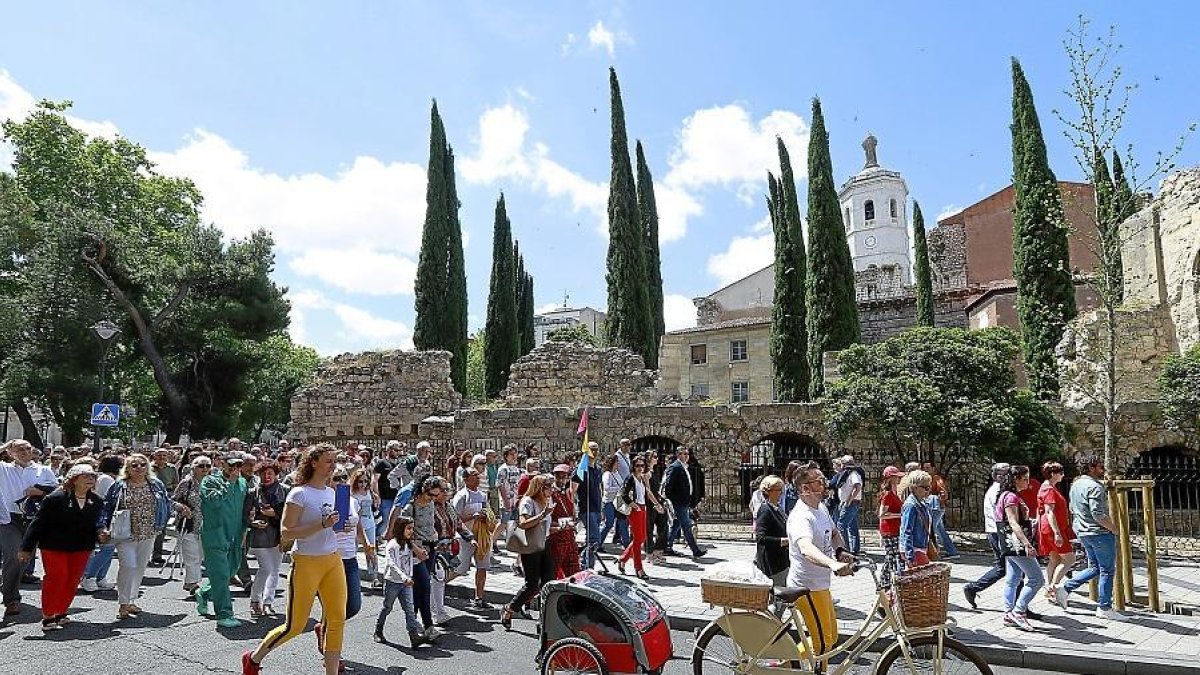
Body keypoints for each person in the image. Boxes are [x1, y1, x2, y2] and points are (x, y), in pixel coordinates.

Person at [242, 444, 348, 675]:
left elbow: (331, 528)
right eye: (328, 461)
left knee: (337, 619)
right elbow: (287, 532)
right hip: (306, 562)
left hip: (332, 559)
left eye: (334, 461)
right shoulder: (299, 493)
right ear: (313, 463)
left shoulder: (332, 492)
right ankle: (253, 659)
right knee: (295, 626)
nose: (333, 466)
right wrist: (322, 524)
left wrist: (341, 526)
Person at [19, 463, 105, 631]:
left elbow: (94, 524)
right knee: (57, 576)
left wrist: (100, 534)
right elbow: (38, 524)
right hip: (54, 545)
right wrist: (26, 548)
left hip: (81, 547)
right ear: (73, 479)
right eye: (85, 475)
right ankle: (48, 615)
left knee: (72, 579)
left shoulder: (96, 500)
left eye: (92, 476)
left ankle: (61, 611)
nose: (90, 479)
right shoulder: (55, 498)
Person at [787, 461, 854, 662]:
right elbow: (806, 549)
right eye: (820, 481)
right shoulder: (801, 516)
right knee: (823, 643)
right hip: (805, 587)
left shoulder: (821, 508)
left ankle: (785, 663)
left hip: (820, 585)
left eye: (824, 480)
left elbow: (834, 533)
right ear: (805, 488)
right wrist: (833, 564)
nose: (825, 484)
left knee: (831, 637)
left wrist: (840, 550)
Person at [99, 452, 171, 620]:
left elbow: (166, 503)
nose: (139, 468)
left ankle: (131, 599)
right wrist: (103, 526)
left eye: (142, 464)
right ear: (127, 469)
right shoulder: (119, 485)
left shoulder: (156, 484)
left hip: (149, 531)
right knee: (128, 565)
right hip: (125, 533)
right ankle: (123, 603)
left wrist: (167, 518)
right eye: (134, 465)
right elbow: (107, 507)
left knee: (139, 567)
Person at [1056, 455, 1122, 620]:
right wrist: (1114, 529)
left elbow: (1072, 508)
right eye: (1100, 466)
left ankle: (1066, 588)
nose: (1103, 470)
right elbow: (1098, 514)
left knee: (1095, 567)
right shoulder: (1095, 487)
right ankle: (1104, 607)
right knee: (1107, 569)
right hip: (1099, 533)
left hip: (1083, 532)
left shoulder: (1076, 485)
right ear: (1091, 467)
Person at [0, 439, 59, 616]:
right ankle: (11, 599)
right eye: (19, 449)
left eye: (27, 448)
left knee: (24, 558)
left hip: (34, 520)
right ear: (10, 453)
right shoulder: (4, 469)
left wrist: (40, 491)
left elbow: (58, 490)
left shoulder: (43, 470)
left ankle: (8, 583)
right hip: (9, 519)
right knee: (13, 555)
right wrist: (5, 445)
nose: (25, 452)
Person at [196, 452, 250, 628]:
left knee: (230, 571)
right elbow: (214, 501)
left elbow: (242, 509)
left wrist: (244, 531)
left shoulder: (243, 483)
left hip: (235, 535)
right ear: (222, 464)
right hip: (215, 535)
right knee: (220, 575)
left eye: (238, 466)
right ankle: (224, 614)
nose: (235, 469)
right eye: (231, 465)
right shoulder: (209, 481)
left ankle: (203, 592)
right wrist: (230, 483)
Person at [500, 474, 555, 631]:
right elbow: (523, 524)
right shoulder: (528, 502)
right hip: (531, 546)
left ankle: (543, 618)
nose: (551, 490)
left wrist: (562, 526)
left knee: (549, 582)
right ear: (539, 488)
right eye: (548, 487)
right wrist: (542, 514)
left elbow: (545, 526)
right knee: (532, 584)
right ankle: (510, 609)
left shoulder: (546, 501)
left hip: (545, 543)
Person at [995, 465, 1045, 631]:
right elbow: (1013, 523)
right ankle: (1019, 611)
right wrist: (1027, 543)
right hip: (1017, 544)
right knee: (1037, 579)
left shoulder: (1006, 496)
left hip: (1010, 544)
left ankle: (1008, 613)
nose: (1028, 482)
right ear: (1015, 479)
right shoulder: (1011, 498)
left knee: (1013, 578)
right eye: (1025, 479)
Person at [963, 462, 1014, 611]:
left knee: (1007, 567)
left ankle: (973, 588)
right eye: (1006, 473)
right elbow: (1002, 516)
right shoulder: (998, 491)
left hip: (994, 532)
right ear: (998, 475)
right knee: (1008, 567)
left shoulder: (995, 490)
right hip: (998, 533)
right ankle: (973, 588)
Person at [331, 468, 372, 649]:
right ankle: (331, 647)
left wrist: (367, 546)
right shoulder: (326, 501)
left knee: (354, 605)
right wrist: (333, 526)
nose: (341, 481)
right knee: (336, 606)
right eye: (336, 478)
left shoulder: (353, 501)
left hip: (350, 557)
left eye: (344, 478)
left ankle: (326, 625)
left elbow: (358, 526)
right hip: (331, 559)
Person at [374, 515, 426, 647]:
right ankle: (378, 630)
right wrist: (404, 577)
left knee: (409, 609)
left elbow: (409, 561)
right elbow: (392, 564)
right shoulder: (393, 545)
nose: (411, 531)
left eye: (412, 528)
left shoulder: (408, 544)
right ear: (400, 528)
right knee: (387, 607)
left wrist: (420, 556)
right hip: (393, 582)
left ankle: (413, 636)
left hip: (406, 583)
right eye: (408, 528)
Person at [399, 476, 440, 640]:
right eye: (431, 495)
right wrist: (416, 549)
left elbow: (430, 523)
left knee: (420, 590)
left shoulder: (430, 504)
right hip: (415, 551)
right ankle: (425, 625)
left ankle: (417, 627)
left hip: (430, 547)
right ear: (423, 490)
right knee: (424, 586)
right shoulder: (410, 507)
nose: (433, 499)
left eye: (436, 496)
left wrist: (435, 535)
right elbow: (402, 533)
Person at [80, 453, 124, 593]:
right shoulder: (106, 479)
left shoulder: (109, 478)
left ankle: (100, 577)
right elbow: (110, 500)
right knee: (106, 548)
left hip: (110, 518)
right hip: (103, 518)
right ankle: (89, 576)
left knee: (109, 548)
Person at [451, 467, 494, 608]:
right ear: (465, 479)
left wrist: (486, 516)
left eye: (478, 475)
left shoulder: (482, 495)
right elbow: (455, 517)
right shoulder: (462, 496)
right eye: (474, 475)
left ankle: (479, 598)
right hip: (466, 537)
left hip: (482, 536)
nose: (478, 478)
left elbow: (486, 510)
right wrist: (473, 516)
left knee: (482, 567)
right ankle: (438, 585)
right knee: (461, 567)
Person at [248, 460, 286, 617]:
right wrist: (253, 522)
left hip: (279, 535)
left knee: (275, 569)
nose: (266, 476)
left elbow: (290, 516)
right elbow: (244, 515)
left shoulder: (286, 491)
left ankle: (268, 602)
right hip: (260, 536)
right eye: (263, 473)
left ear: (276, 474)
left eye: (270, 473)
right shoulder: (253, 493)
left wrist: (274, 515)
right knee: (266, 568)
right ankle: (255, 600)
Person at [1036, 461, 1076, 605]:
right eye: (1060, 472)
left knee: (1055, 559)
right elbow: (1049, 512)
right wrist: (1057, 533)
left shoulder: (1047, 487)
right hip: (1053, 529)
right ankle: (1053, 589)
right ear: (1053, 474)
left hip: (1048, 528)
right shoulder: (1049, 490)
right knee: (1070, 559)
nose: (1063, 475)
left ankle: (1049, 589)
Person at [171, 455, 212, 594]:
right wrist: (181, 508)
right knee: (192, 556)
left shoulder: (214, 483)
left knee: (200, 555)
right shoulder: (185, 483)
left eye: (208, 466)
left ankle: (189, 582)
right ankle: (194, 584)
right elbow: (172, 501)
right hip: (188, 524)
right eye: (201, 466)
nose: (205, 469)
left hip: (208, 526)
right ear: (193, 468)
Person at [662, 448, 706, 558]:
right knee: (687, 525)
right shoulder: (675, 467)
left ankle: (667, 546)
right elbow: (668, 487)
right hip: (679, 502)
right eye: (683, 454)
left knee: (676, 523)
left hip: (684, 502)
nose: (686, 456)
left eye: (687, 454)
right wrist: (674, 500)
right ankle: (695, 550)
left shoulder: (684, 467)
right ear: (678, 455)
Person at [753, 476, 790, 585]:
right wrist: (782, 541)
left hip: (781, 560)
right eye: (778, 490)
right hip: (772, 563)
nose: (781, 493)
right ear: (769, 492)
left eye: (781, 489)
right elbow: (760, 538)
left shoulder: (777, 508)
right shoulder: (765, 510)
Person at [573, 442, 604, 568]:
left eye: (597, 450)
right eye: (592, 450)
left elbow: (599, 489)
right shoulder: (580, 470)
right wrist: (574, 508)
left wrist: (601, 508)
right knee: (594, 538)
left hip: (596, 507)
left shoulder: (597, 469)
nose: (595, 452)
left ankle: (587, 563)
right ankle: (585, 564)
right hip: (586, 508)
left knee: (593, 540)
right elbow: (572, 490)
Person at [923, 462, 960, 559]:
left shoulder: (936, 479)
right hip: (935, 507)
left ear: (933, 468)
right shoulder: (928, 479)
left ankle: (930, 553)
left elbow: (943, 492)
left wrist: (938, 498)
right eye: (924, 468)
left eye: (928, 468)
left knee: (930, 530)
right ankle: (952, 552)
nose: (925, 470)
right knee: (940, 531)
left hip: (935, 507)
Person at [149, 447, 180, 567]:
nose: (161, 458)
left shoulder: (171, 468)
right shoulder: (148, 467)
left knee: (162, 526)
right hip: (152, 495)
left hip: (167, 495)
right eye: (159, 455)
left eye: (164, 456)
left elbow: (175, 483)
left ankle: (157, 554)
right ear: (154, 456)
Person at [898, 470, 934, 567]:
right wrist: (910, 556)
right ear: (915, 487)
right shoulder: (911, 506)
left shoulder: (922, 503)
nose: (928, 490)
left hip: (920, 547)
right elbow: (906, 531)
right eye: (925, 487)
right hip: (914, 549)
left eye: (929, 487)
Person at [349, 467, 378, 585]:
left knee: (371, 550)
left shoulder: (369, 492)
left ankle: (374, 577)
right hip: (357, 526)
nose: (363, 484)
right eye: (360, 481)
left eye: (365, 481)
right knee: (353, 550)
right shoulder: (352, 495)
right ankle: (354, 576)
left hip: (370, 524)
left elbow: (373, 506)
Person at [833, 455, 864, 555]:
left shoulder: (853, 473)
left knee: (841, 525)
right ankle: (854, 550)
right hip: (850, 502)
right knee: (852, 526)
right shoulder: (848, 473)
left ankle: (844, 549)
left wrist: (849, 500)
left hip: (851, 503)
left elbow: (857, 486)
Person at [878, 466, 904, 581]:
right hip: (890, 530)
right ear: (890, 478)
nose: (899, 478)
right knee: (892, 557)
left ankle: (886, 582)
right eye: (896, 476)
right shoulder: (888, 494)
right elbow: (882, 514)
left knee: (893, 557)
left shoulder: (893, 493)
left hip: (894, 529)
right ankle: (885, 582)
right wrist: (899, 515)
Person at [372, 441, 402, 541]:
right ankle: (375, 538)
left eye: (399, 450)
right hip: (385, 498)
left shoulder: (398, 464)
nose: (398, 453)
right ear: (389, 450)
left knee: (393, 521)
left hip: (396, 497)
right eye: (396, 450)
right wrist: (377, 495)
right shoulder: (382, 463)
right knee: (384, 521)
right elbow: (374, 480)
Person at [598, 454, 628, 549]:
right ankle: (597, 543)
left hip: (618, 501)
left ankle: (627, 545)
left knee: (623, 522)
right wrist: (619, 489)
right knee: (608, 524)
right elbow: (607, 488)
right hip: (609, 502)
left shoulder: (617, 473)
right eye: (617, 462)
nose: (618, 464)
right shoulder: (607, 474)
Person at [645, 450, 669, 564]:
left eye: (656, 456)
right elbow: (648, 491)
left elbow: (655, 490)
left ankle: (658, 550)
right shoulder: (646, 473)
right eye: (654, 456)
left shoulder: (653, 471)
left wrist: (661, 500)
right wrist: (656, 504)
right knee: (648, 530)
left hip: (657, 502)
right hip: (650, 504)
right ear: (648, 458)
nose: (657, 458)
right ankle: (649, 554)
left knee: (663, 525)